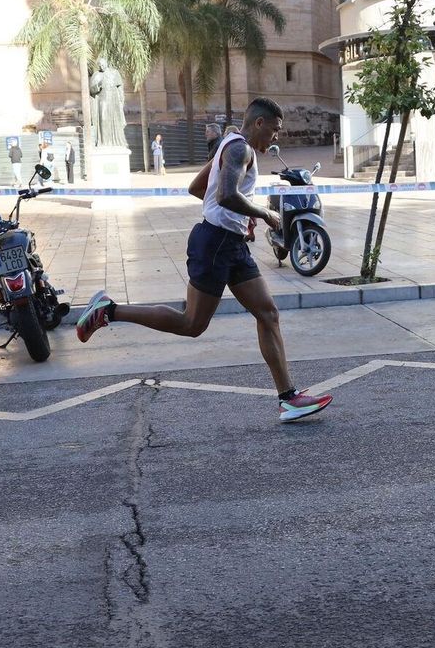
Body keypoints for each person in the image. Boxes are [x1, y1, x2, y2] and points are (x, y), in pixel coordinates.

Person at [73, 98, 333, 424]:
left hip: (229, 243)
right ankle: (107, 310)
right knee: (191, 324)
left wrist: (240, 220)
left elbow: (198, 188)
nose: (276, 138)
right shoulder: (241, 151)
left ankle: (289, 398)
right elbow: (224, 195)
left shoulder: (229, 143)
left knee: (267, 313)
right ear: (259, 124)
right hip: (215, 244)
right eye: (275, 130)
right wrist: (263, 213)